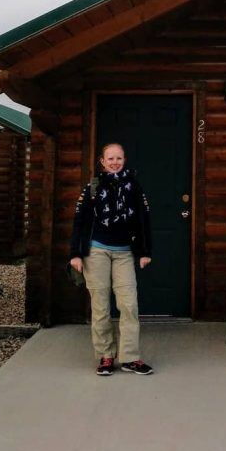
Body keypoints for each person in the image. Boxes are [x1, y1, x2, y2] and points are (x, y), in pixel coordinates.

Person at [69, 142, 153, 377]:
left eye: (119, 158)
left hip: (125, 251)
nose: (115, 162)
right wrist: (75, 253)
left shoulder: (133, 186)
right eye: (110, 159)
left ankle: (130, 357)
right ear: (102, 162)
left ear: (124, 160)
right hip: (96, 251)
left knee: (129, 305)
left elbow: (144, 220)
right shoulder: (93, 187)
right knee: (101, 306)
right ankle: (106, 356)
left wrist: (145, 251)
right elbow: (79, 221)